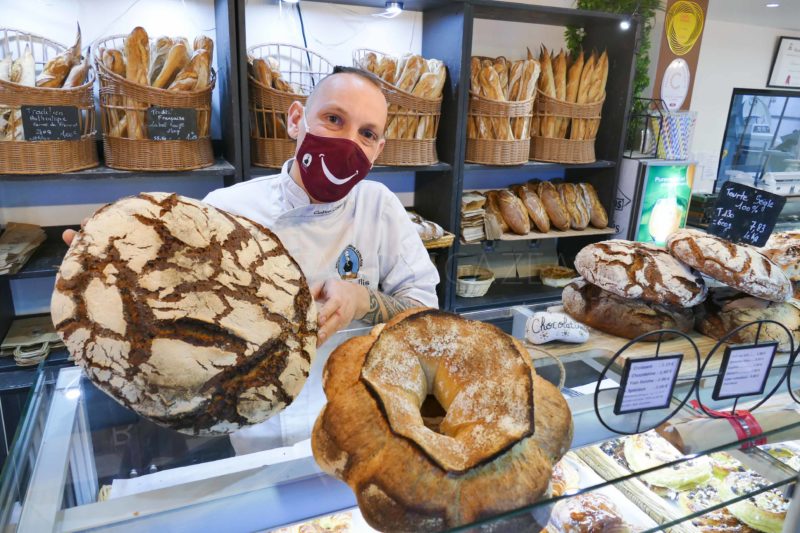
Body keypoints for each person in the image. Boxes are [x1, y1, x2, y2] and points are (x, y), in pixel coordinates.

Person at [63, 66, 440, 451]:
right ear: (296, 120)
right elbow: (175, 314)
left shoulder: (380, 207)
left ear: (378, 151)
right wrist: (109, 278)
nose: (349, 142)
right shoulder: (225, 210)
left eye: (367, 133)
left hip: (358, 423)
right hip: (254, 430)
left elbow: (429, 319)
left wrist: (363, 300)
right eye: (333, 119)